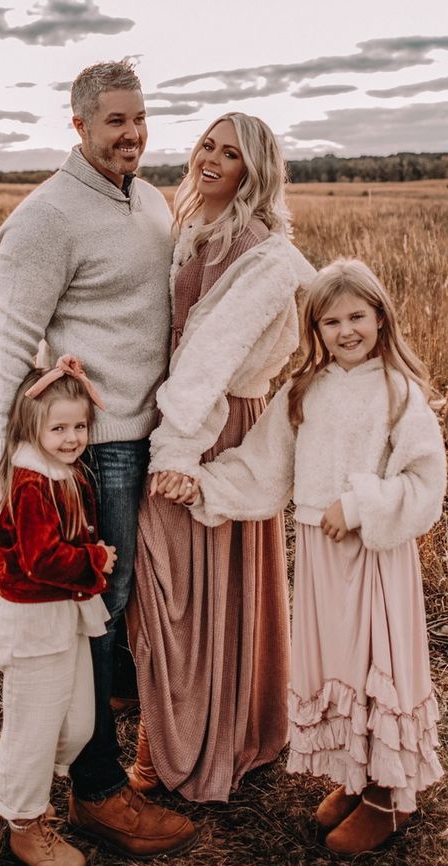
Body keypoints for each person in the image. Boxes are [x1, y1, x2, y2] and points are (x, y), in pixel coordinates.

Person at [0, 60, 196, 857]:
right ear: (78, 126)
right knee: (94, 619)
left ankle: (114, 749)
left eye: (140, 118)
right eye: (114, 121)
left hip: (152, 439)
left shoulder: (148, 201)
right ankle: (97, 791)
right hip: (95, 451)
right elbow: (8, 343)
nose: (132, 133)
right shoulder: (45, 218)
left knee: (132, 610)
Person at [188, 259, 447, 854]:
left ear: (380, 318)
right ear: (315, 329)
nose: (346, 330)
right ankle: (357, 776)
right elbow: (264, 464)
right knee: (339, 661)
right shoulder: (303, 391)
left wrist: (358, 506)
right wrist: (202, 484)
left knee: (377, 662)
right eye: (331, 321)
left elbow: (425, 482)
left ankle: (389, 796)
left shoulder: (398, 392)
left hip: (374, 557)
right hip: (320, 558)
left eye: (357, 316)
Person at [127, 112, 316, 802]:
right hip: (181, 408)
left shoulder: (261, 253)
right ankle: (190, 722)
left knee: (173, 583)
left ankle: (165, 754)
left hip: (215, 423)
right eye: (207, 143)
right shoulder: (191, 229)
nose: (210, 158)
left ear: (253, 171)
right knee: (183, 585)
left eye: (229, 153)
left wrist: (177, 448)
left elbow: (210, 358)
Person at [0, 352, 116, 866]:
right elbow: (41, 560)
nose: (71, 436)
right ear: (31, 426)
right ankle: (24, 822)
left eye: (79, 426)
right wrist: (95, 561)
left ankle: (40, 792)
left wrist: (88, 561)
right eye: (58, 427)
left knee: (79, 721)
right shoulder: (30, 482)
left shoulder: (64, 473)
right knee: (33, 725)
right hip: (35, 622)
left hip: (68, 616)